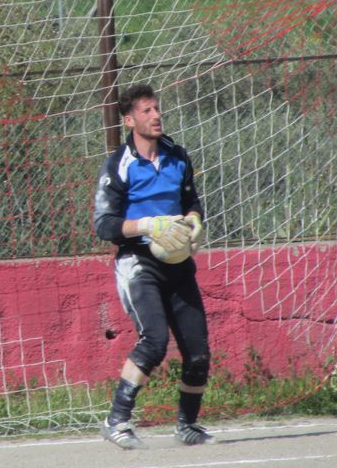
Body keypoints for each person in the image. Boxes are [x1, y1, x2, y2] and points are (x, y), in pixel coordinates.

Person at [92, 83, 214, 450]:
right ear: (129, 120)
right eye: (147, 111)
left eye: (157, 108)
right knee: (155, 341)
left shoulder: (178, 156)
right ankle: (116, 421)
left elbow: (192, 200)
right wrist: (147, 225)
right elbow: (104, 225)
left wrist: (194, 221)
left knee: (198, 353)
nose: (156, 115)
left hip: (178, 263)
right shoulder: (119, 165)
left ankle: (187, 426)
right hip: (138, 264)